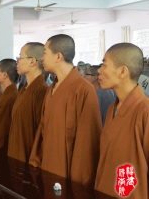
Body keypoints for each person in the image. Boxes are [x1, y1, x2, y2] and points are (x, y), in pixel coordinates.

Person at [29, 34, 101, 186]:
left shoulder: (84, 89)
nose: (42, 58)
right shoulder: (52, 87)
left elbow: (88, 142)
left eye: (45, 52)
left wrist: (79, 181)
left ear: (58, 56)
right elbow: (43, 128)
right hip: (48, 165)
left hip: (68, 173)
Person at [95, 43, 149, 198]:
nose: (99, 70)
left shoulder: (145, 111)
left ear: (122, 71)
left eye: (104, 64)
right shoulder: (113, 107)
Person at [7, 43, 48, 163]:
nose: (17, 62)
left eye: (20, 57)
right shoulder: (24, 89)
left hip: (27, 157)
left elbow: (40, 132)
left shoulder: (42, 90)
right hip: (15, 152)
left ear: (32, 62)